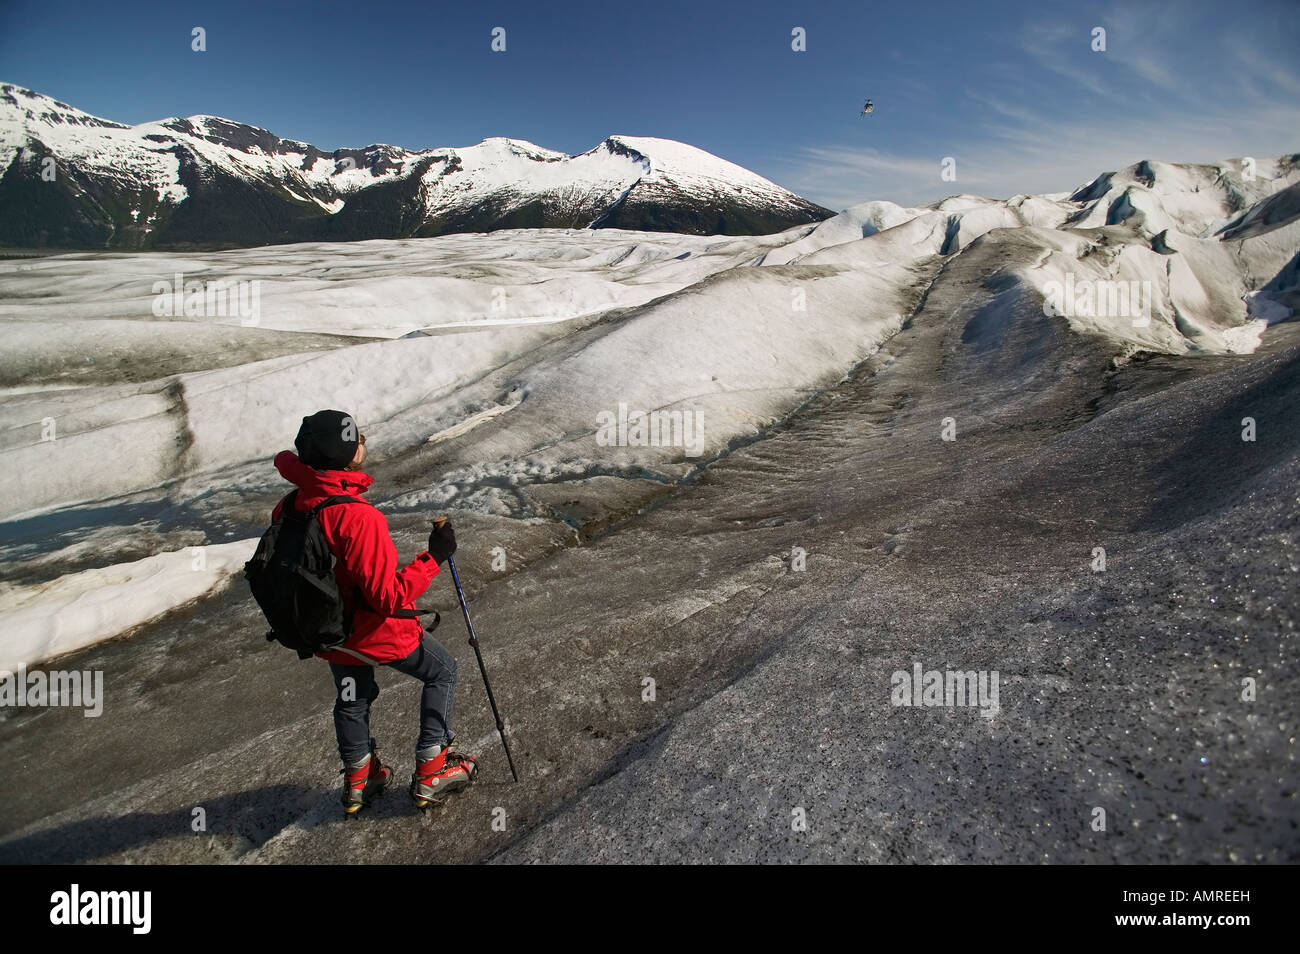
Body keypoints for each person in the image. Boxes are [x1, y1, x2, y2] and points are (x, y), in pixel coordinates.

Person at [271, 408, 477, 815]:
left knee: (353, 696)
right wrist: (434, 557)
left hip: (329, 632)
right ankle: (432, 768)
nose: (363, 441)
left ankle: (361, 779)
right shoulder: (356, 516)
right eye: (356, 437)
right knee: (442, 671)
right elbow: (387, 597)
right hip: (373, 632)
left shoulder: (291, 505)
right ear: (347, 452)